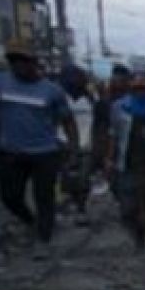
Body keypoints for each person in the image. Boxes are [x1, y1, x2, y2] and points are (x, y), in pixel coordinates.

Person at [0, 39, 80, 259]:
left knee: (44, 197)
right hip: (10, 152)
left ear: (34, 63)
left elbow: (68, 121)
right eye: (14, 61)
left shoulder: (51, 91)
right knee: (10, 196)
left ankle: (44, 238)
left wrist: (73, 148)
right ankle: (31, 221)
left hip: (44, 153)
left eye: (24, 61)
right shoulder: (1, 83)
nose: (19, 65)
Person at [107, 72, 145, 261]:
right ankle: (139, 235)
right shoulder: (119, 107)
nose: (140, 92)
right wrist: (109, 158)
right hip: (127, 163)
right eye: (136, 88)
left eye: (144, 88)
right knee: (127, 209)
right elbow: (113, 135)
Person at [59, 65, 96, 225]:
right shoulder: (60, 98)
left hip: (85, 145)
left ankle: (81, 208)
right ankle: (72, 204)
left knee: (83, 180)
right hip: (64, 144)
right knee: (68, 179)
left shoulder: (90, 98)